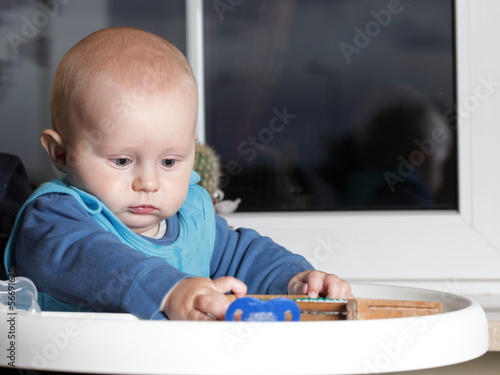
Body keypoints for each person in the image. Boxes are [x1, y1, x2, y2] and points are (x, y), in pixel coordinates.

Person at [4, 27, 351, 320]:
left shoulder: (192, 215)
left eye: (169, 162)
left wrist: (294, 279)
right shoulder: (54, 221)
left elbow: (242, 255)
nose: (149, 183)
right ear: (62, 154)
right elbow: (95, 260)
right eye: (122, 161)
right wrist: (169, 290)